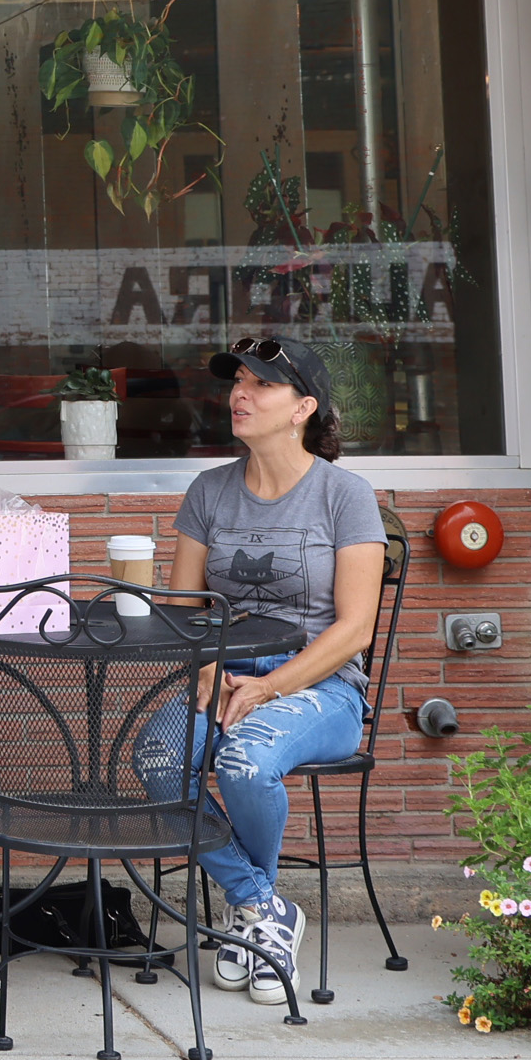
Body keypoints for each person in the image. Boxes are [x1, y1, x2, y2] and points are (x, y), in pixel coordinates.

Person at [136, 336, 389, 1007]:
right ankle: (262, 908)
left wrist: (272, 685)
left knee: (245, 760)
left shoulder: (346, 496)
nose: (239, 394)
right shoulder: (209, 492)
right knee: (158, 760)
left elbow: (354, 629)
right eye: (237, 381)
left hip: (319, 686)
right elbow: (183, 611)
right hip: (222, 673)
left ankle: (250, 920)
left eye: (261, 385)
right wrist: (207, 672)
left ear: (304, 407)